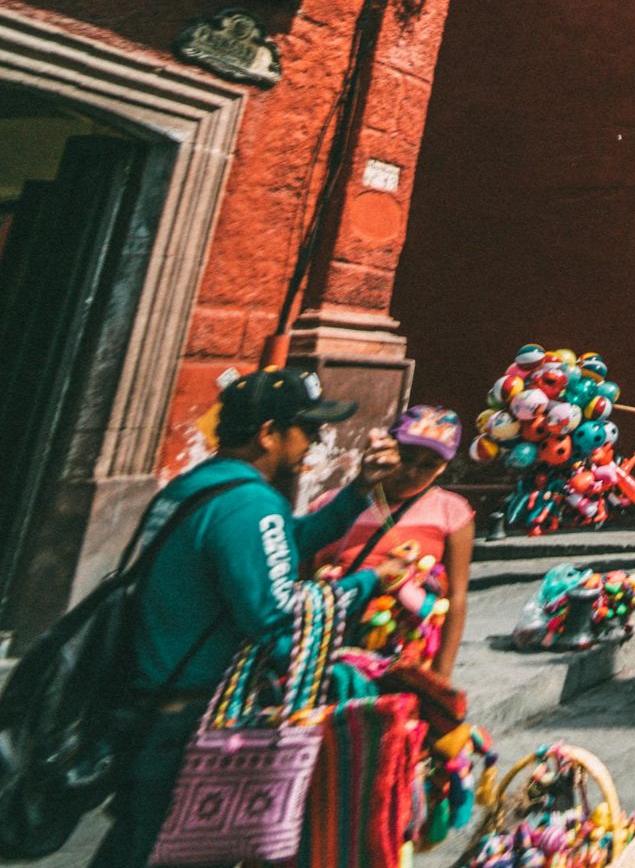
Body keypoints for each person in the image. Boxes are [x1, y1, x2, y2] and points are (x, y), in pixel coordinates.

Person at [98, 369, 397, 868]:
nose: (316, 442)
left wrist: (360, 489)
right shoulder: (250, 503)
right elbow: (277, 621)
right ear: (267, 433)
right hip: (192, 722)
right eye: (309, 430)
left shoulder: (195, 487)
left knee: (135, 844)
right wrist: (370, 584)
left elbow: (283, 545)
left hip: (152, 702)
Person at [310, 404, 474, 678]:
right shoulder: (332, 505)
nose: (412, 473)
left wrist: (442, 674)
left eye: (428, 465)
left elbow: (456, 597)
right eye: (406, 458)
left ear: (443, 467)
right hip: (332, 651)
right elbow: (303, 580)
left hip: (408, 656)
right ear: (388, 449)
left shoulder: (452, 512)